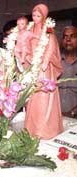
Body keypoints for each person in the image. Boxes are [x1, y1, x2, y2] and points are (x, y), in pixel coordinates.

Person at [24, 3, 64, 139]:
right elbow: (24, 46)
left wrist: (45, 61)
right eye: (34, 15)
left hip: (44, 71)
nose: (35, 18)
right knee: (32, 99)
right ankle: (32, 129)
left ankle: (46, 129)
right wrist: (28, 57)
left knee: (44, 98)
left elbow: (51, 47)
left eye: (38, 15)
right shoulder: (29, 31)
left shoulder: (48, 32)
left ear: (44, 17)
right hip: (32, 69)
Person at [58, 26, 77, 117]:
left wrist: (73, 113)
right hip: (54, 117)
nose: (68, 39)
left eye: (72, 36)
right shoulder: (54, 61)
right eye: (65, 37)